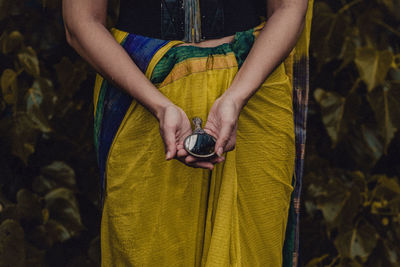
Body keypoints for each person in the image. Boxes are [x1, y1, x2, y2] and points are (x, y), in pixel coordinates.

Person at [62, 0, 313, 266]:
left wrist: (237, 98)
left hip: (254, 90)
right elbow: (81, 22)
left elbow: (289, 9)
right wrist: (159, 107)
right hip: (141, 88)